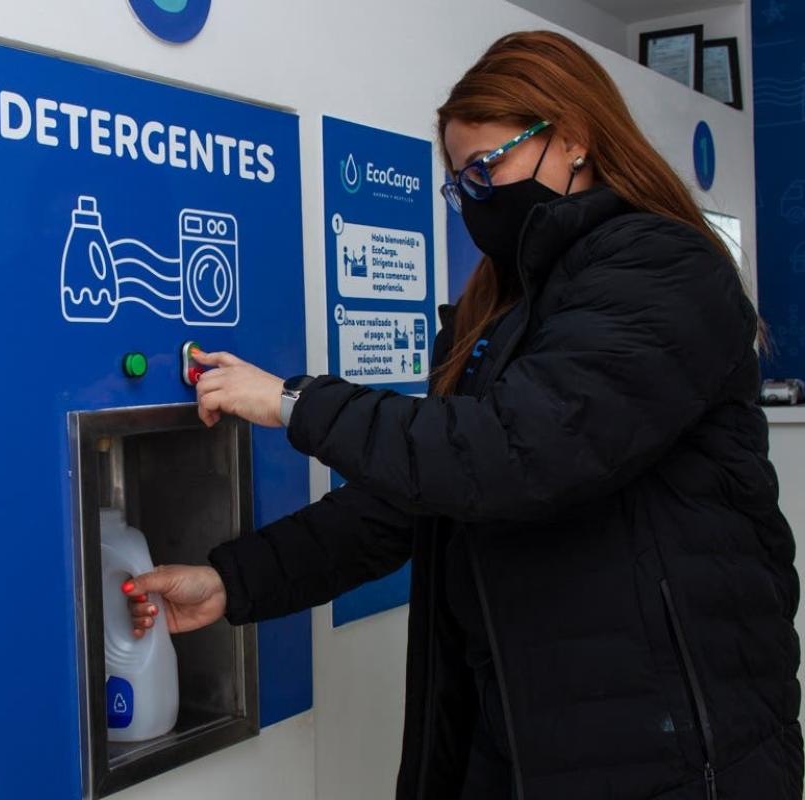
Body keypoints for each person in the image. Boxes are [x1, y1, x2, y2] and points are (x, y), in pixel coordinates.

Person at [123, 30, 802, 800]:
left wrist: (292, 403)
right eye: (459, 181)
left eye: (487, 167)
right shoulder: (498, 313)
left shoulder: (661, 268)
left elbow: (517, 452)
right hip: (518, 731)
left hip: (670, 755)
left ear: (572, 139)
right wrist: (230, 580)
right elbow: (415, 497)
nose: (476, 196)